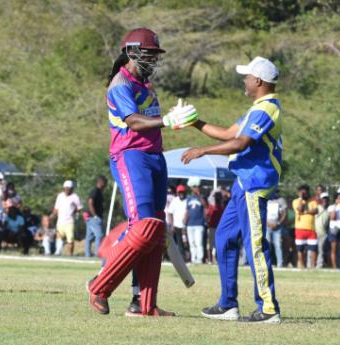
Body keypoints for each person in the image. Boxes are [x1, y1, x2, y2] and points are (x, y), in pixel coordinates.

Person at [86, 27, 197, 317]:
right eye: (149, 53)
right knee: (144, 227)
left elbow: (151, 119)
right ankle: (99, 285)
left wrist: (171, 115)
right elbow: (134, 122)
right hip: (131, 156)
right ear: (132, 51)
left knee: (156, 231)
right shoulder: (120, 83)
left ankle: (142, 304)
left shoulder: (145, 84)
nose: (153, 59)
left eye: (155, 54)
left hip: (154, 157)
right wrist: (169, 121)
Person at [181, 56, 282, 323]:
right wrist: (196, 123)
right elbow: (229, 134)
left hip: (254, 183)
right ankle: (228, 305)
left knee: (255, 246)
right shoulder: (257, 108)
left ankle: (268, 309)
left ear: (258, 81)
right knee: (224, 238)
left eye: (247, 77)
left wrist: (202, 150)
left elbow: (240, 144)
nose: (244, 81)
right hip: (242, 182)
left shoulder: (266, 109)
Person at [50, 180, 83, 256]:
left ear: (72, 189)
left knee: (70, 239)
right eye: (66, 188)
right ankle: (58, 252)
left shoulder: (75, 197)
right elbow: (56, 208)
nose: (67, 190)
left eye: (69, 188)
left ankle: (70, 254)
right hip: (60, 221)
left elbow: (79, 207)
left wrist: (74, 211)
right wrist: (52, 216)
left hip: (69, 221)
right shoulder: (60, 196)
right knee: (59, 237)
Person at [293, 184, 318, 269]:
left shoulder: (313, 201)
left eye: (305, 191)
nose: (304, 193)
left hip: (311, 229)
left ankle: (312, 267)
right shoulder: (296, 201)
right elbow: (300, 209)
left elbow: (315, 211)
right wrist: (301, 199)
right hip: (300, 229)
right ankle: (302, 266)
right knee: (300, 249)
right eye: (302, 192)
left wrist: (306, 211)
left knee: (313, 249)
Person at [84, 176, 108, 257]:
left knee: (90, 237)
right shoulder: (95, 191)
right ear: (101, 183)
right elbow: (90, 202)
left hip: (92, 218)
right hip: (93, 218)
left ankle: (87, 254)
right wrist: (95, 216)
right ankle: (98, 253)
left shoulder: (99, 192)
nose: (106, 186)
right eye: (105, 184)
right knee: (99, 235)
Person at [167, 185, 190, 260]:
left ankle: (188, 257)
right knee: (179, 243)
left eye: (182, 192)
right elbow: (170, 213)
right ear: (177, 193)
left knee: (186, 243)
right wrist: (172, 224)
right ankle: (181, 258)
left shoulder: (188, 200)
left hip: (186, 226)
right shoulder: (175, 200)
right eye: (180, 192)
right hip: (176, 225)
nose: (181, 194)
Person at [266, 194, 287, 268]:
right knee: (267, 245)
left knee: (278, 245)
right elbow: (262, 211)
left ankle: (279, 264)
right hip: (267, 226)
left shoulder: (281, 200)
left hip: (278, 227)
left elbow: (284, 213)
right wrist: (267, 223)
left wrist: (278, 223)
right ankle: (267, 263)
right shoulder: (266, 199)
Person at [205, 191, 225, 264]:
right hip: (213, 227)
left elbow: (207, 216)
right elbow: (207, 216)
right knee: (211, 245)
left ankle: (214, 259)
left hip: (217, 228)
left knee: (215, 245)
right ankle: (211, 259)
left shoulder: (220, 208)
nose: (217, 200)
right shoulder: (213, 207)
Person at [315, 192, 330, 268]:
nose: (325, 201)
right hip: (315, 232)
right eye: (323, 199)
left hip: (324, 234)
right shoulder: (317, 208)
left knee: (321, 250)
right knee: (314, 250)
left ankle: (319, 265)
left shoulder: (329, 210)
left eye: (326, 199)